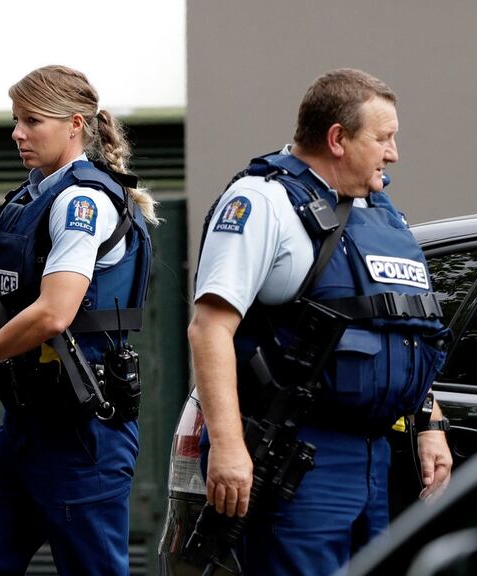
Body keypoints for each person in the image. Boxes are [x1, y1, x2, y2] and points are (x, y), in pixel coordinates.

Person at [190, 68, 453, 575]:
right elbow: (209, 328)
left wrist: (430, 422)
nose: (393, 153)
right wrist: (227, 447)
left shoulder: (378, 214)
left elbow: (396, 334)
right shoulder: (264, 202)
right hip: (300, 455)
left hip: (377, 456)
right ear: (338, 139)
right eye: (383, 138)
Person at [0, 65, 157, 575]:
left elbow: (54, 313)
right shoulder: (33, 195)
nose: (17, 133)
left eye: (31, 120)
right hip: (24, 428)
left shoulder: (81, 201)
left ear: (75, 124)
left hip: (84, 432)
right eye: (15, 120)